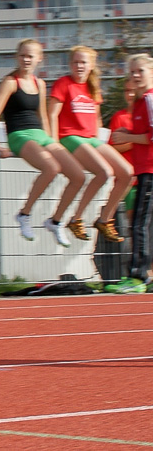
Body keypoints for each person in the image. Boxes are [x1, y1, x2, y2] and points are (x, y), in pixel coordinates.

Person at [0, 39, 82, 247]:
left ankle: (55, 221)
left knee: (78, 175)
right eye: (23, 55)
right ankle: (24, 214)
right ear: (17, 57)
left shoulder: (40, 83)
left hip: (40, 134)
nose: (26, 60)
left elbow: (44, 117)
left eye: (31, 56)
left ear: (40, 59)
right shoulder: (11, 82)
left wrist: (52, 142)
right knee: (51, 168)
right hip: (19, 134)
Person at [48, 45, 132, 242]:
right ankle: (76, 219)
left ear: (91, 65)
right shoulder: (63, 83)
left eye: (83, 62)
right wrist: (53, 145)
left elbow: (96, 120)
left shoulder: (93, 88)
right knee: (104, 172)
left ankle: (104, 219)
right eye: (75, 62)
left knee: (127, 172)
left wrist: (99, 143)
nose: (79, 66)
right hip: (69, 136)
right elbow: (52, 114)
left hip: (90, 138)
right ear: (70, 64)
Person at [107, 53, 153, 293]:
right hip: (143, 170)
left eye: (140, 71)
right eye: (132, 72)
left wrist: (127, 137)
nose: (135, 75)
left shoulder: (149, 99)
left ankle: (137, 277)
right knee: (141, 224)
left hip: (150, 171)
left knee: (139, 225)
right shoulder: (139, 102)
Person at [109, 77, 139, 227]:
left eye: (133, 91)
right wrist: (137, 141)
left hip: (147, 177)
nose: (130, 94)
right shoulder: (119, 117)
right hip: (131, 181)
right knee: (135, 225)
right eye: (127, 91)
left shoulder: (147, 115)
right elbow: (112, 149)